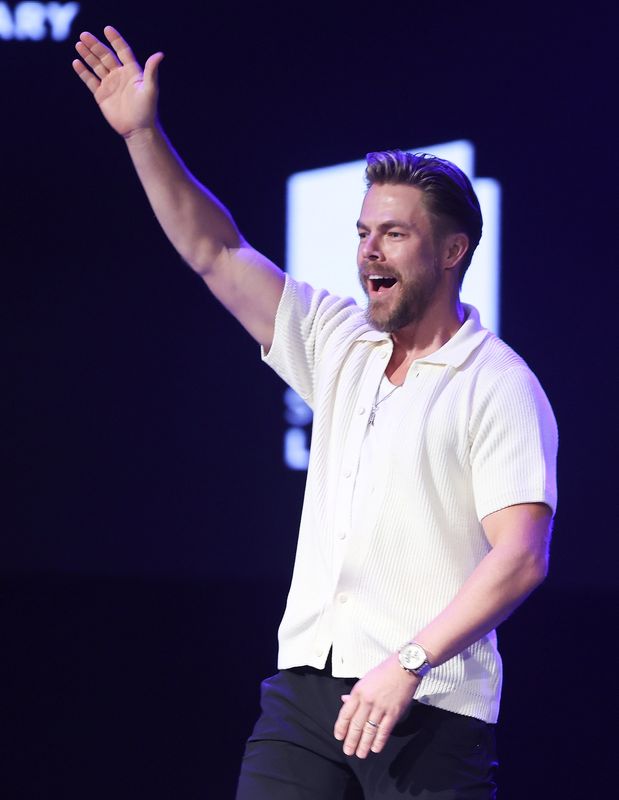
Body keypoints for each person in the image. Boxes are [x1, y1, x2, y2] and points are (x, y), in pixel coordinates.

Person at [73, 27, 558, 800]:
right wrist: (143, 136)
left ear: (452, 251)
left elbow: (520, 557)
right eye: (363, 234)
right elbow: (217, 253)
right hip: (305, 695)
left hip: (430, 710)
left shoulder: (494, 383)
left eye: (393, 235)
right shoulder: (340, 341)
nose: (369, 252)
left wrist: (407, 662)